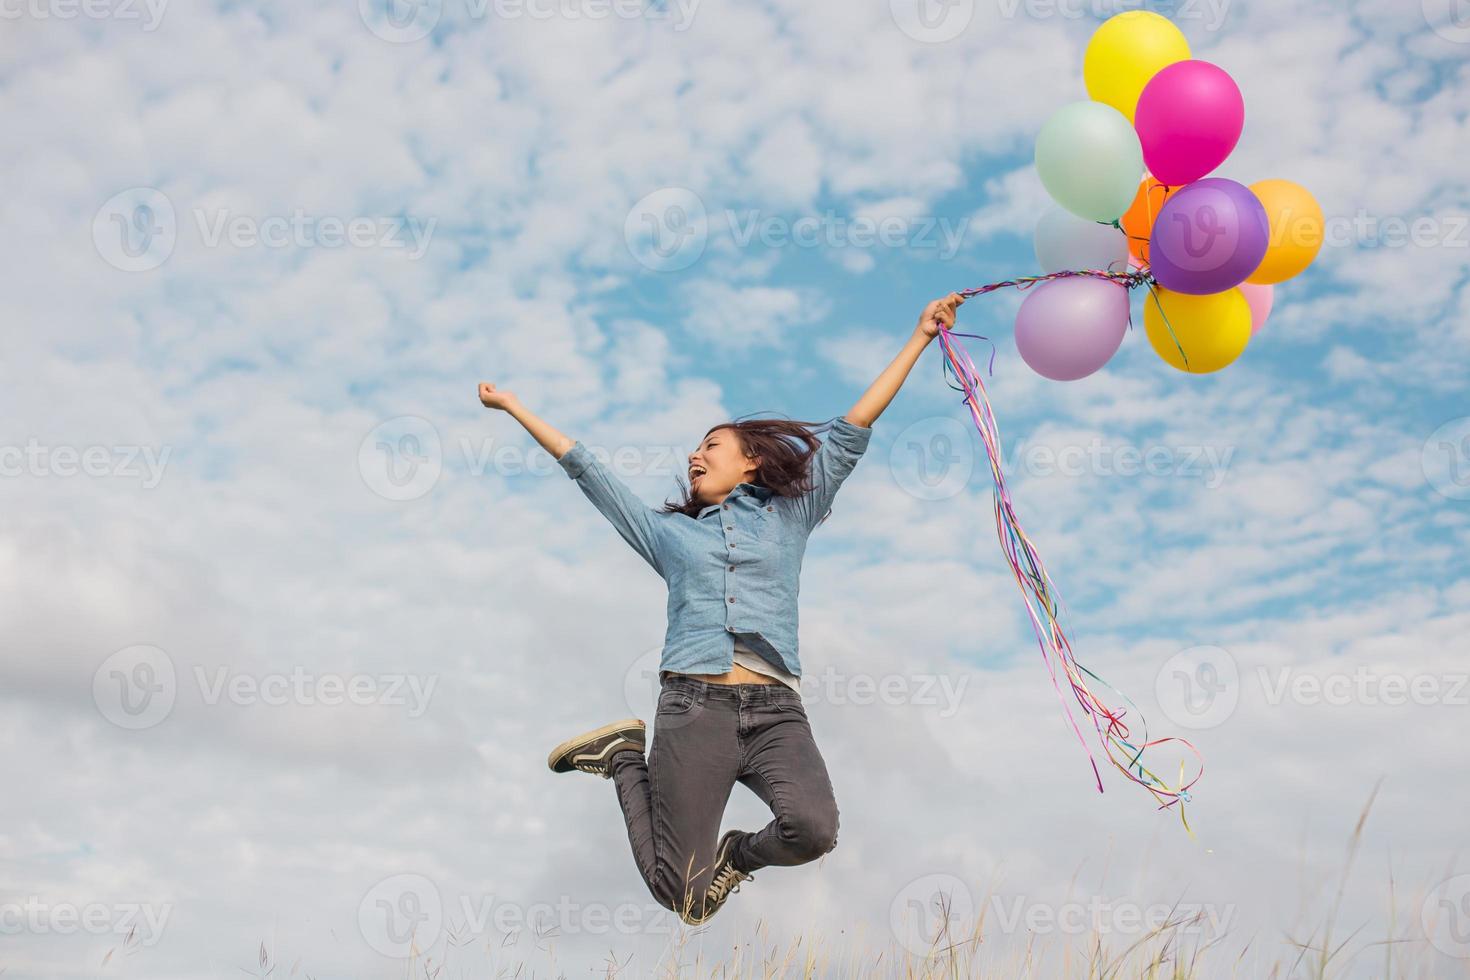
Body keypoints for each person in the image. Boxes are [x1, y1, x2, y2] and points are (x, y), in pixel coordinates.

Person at [478, 293, 966, 925]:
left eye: (710, 445)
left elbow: (850, 434)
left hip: (774, 711)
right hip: (693, 708)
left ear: (751, 461)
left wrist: (920, 337)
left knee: (813, 828)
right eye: (694, 450)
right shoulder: (670, 535)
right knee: (683, 897)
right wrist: (516, 407)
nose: (695, 455)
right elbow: (591, 472)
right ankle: (626, 756)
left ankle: (737, 853)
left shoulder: (793, 513)